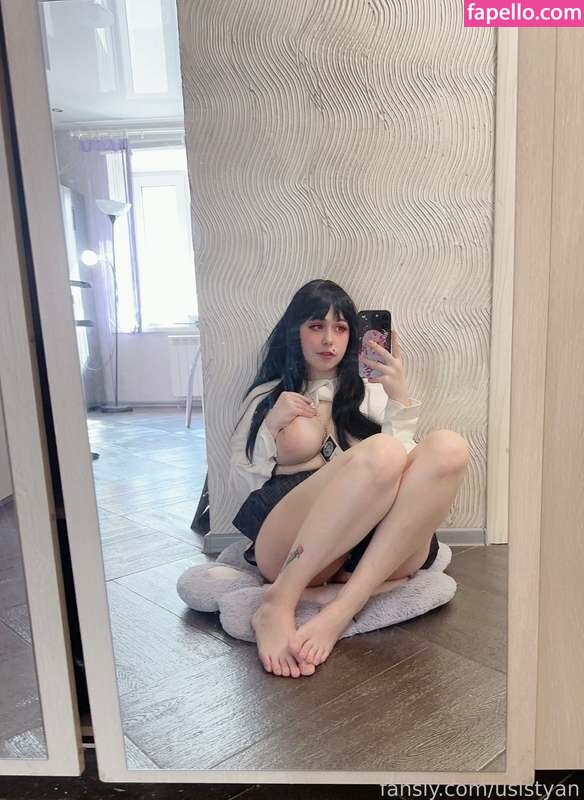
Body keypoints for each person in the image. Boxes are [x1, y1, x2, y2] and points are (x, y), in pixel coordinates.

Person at [229, 279, 469, 678]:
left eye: (340, 328)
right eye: (316, 326)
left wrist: (399, 398)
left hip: (369, 545)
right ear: (295, 331)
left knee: (449, 447)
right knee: (384, 450)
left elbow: (406, 476)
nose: (329, 340)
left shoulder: (369, 391)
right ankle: (280, 600)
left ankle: (343, 606)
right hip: (291, 543)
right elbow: (242, 485)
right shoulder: (269, 396)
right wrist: (271, 426)